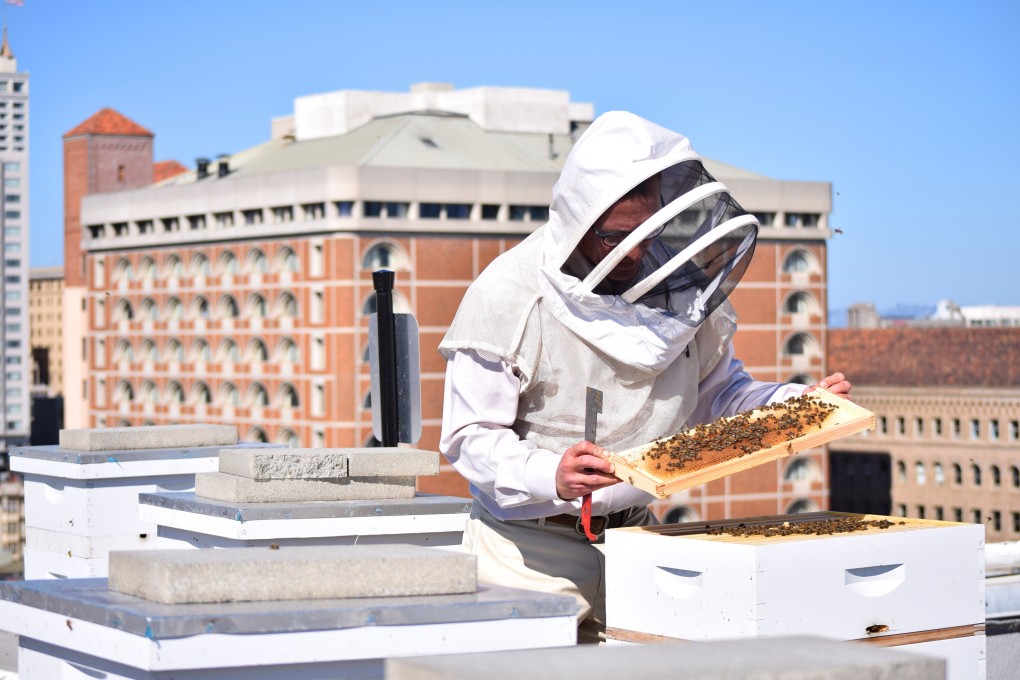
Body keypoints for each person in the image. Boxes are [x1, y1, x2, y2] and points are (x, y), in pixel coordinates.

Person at [438, 111, 850, 643]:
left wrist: (796, 404)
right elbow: (469, 438)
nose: (634, 253)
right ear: (577, 222)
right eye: (615, 237)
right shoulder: (507, 297)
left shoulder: (679, 292)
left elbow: (719, 395)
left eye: (646, 232)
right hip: (526, 556)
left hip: (638, 542)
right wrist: (551, 473)